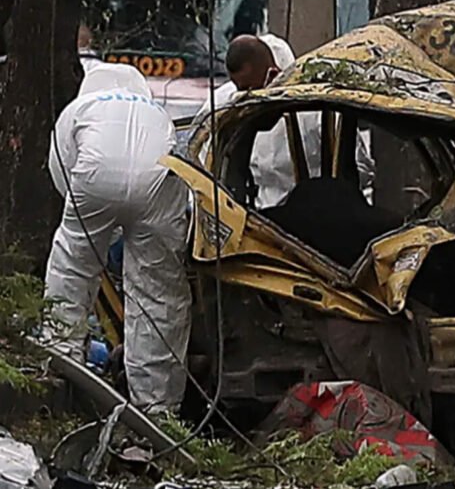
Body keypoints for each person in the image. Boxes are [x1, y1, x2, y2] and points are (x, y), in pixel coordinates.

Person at [45, 63, 191, 415]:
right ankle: (157, 409)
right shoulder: (156, 111)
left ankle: (61, 367)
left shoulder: (78, 110)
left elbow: (62, 174)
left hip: (95, 177)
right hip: (159, 181)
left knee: (73, 272)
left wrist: (96, 231)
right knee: (158, 293)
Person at [196, 34, 375, 208]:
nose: (248, 97)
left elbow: (359, 170)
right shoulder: (223, 103)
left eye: (254, 89)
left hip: (312, 218)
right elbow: (204, 170)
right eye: (243, 90)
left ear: (275, 74)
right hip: (250, 220)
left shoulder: (319, 108)